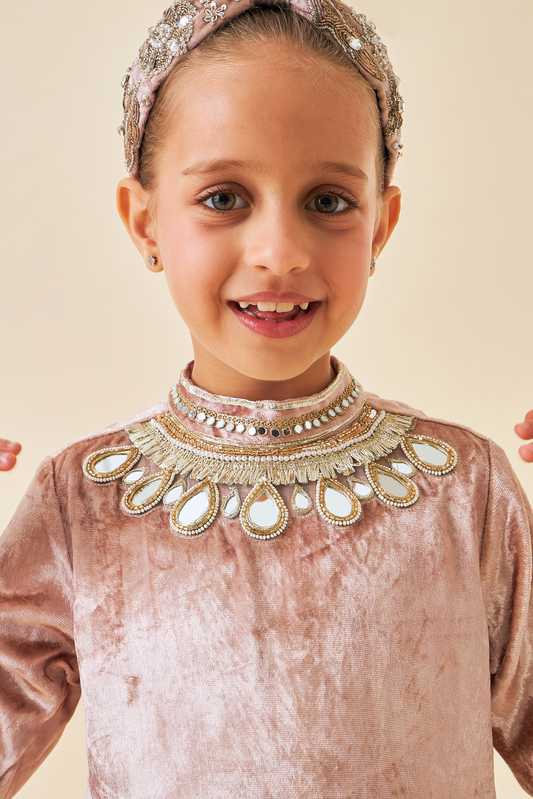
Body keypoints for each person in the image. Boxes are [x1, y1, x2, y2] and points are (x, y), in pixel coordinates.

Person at [0, 1, 532, 797]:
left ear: (380, 225)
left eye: (328, 200)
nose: (279, 252)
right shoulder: (80, 504)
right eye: (223, 198)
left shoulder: (465, 490)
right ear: (144, 222)